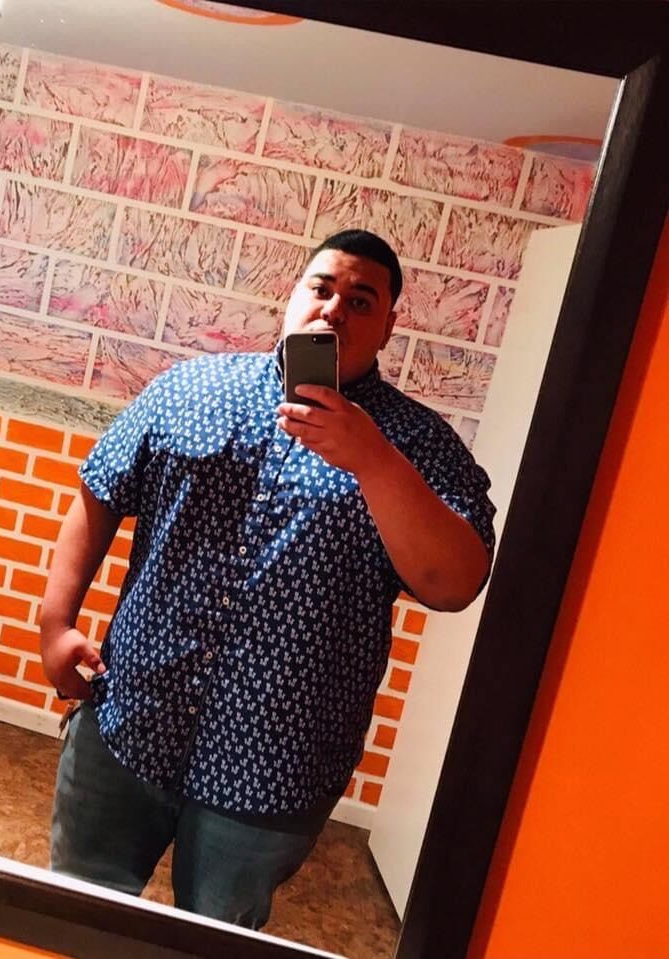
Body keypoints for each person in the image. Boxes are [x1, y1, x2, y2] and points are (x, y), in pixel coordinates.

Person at [40, 229, 496, 928]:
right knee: (73, 914)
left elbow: (455, 583)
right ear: (293, 296)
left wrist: (373, 461)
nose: (335, 309)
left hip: (277, 762)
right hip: (130, 716)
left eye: (361, 300)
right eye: (322, 288)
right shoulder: (193, 387)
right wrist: (55, 621)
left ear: (388, 325)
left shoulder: (419, 444)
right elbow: (101, 487)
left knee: (219, 939)